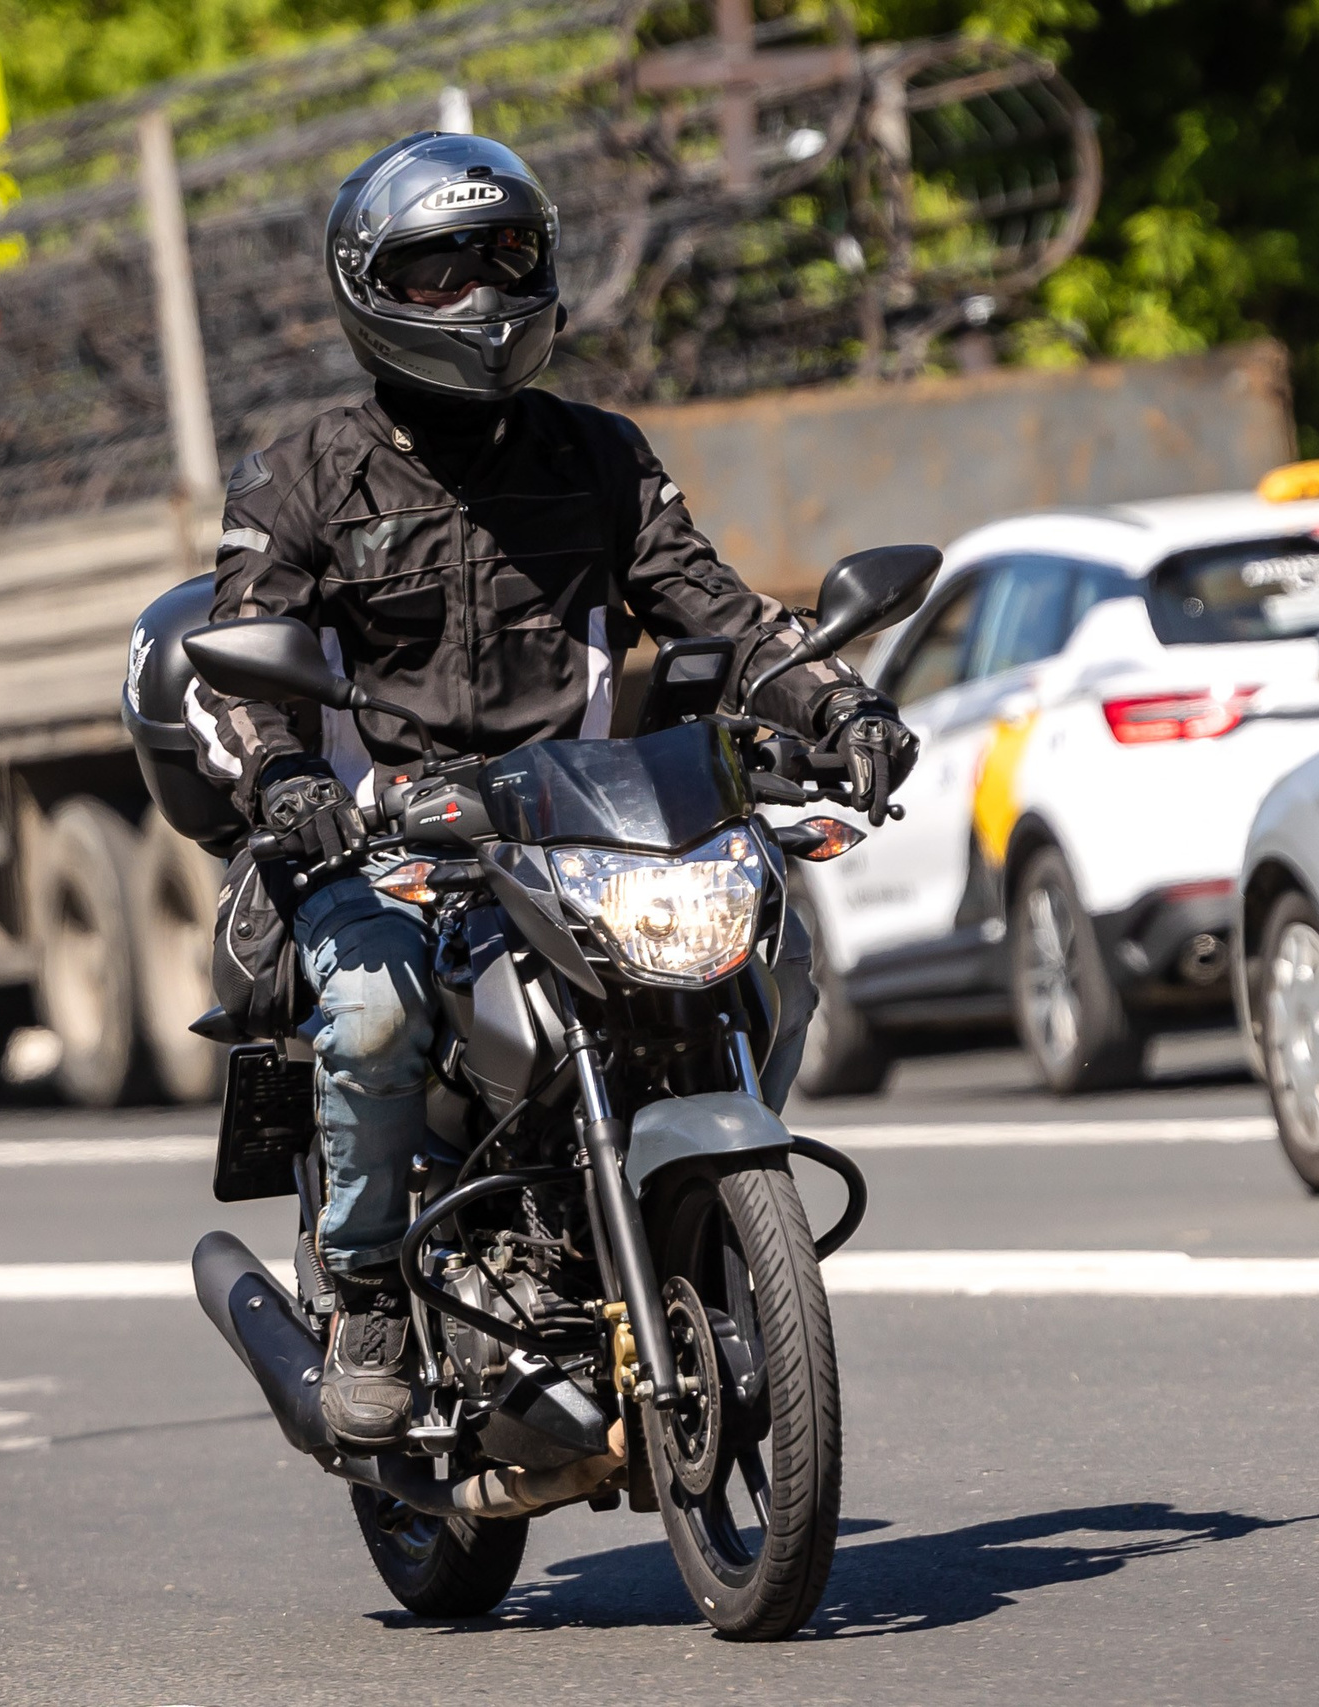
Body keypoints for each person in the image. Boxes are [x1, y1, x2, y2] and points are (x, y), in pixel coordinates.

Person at [189, 132, 918, 1451]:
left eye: (504, 254)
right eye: (435, 267)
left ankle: (690, 1212)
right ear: (367, 287)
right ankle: (363, 1295)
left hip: (578, 821)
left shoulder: (601, 455)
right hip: (383, 845)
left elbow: (723, 611)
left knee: (770, 950)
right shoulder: (298, 474)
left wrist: (839, 704)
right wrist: (292, 783)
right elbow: (235, 668)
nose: (476, 291)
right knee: (366, 1016)